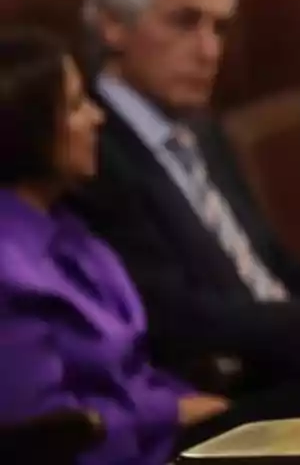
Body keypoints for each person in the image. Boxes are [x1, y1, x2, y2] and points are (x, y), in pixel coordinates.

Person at [66, 0, 300, 404]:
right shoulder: (90, 150)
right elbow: (175, 317)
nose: (210, 51)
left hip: (294, 364)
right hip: (223, 397)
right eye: (185, 22)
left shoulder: (202, 128)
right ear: (112, 24)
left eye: (221, 27)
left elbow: (271, 264)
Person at [0, 28, 230, 464]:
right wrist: (169, 411)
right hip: (123, 453)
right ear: (25, 129)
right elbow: (46, 430)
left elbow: (130, 366)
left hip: (160, 436)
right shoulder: (8, 269)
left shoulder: (68, 224)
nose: (97, 117)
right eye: (75, 106)